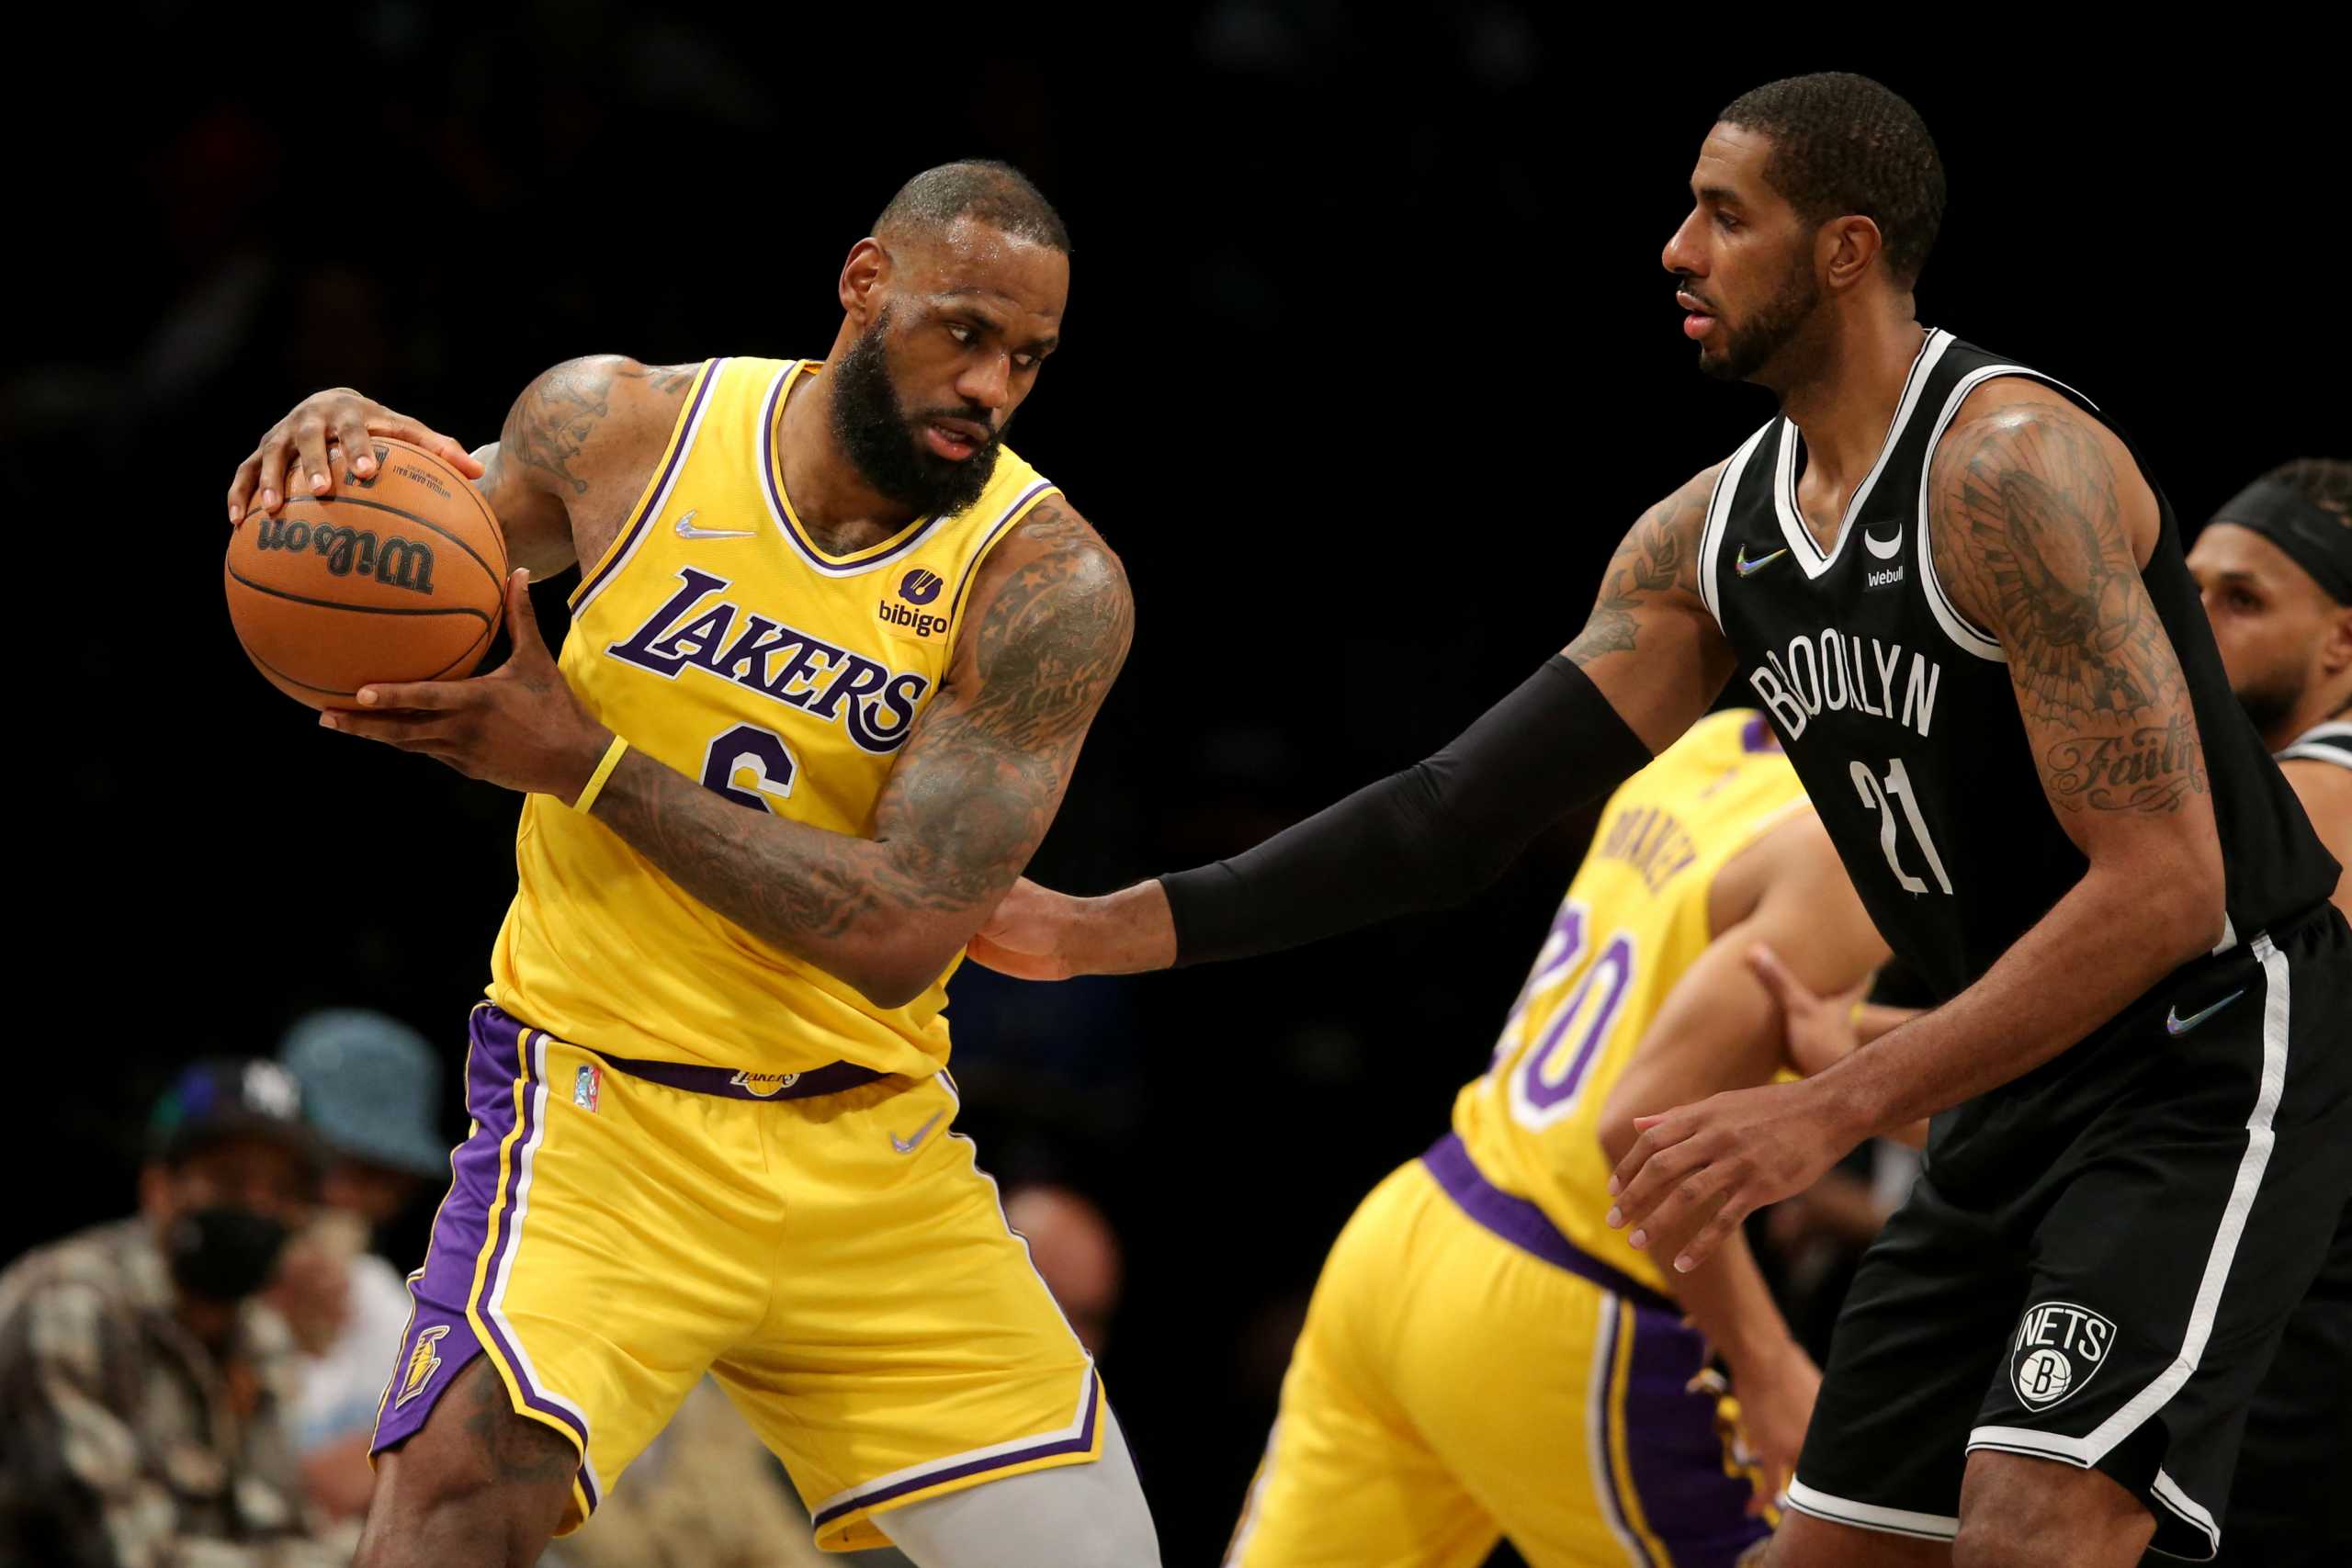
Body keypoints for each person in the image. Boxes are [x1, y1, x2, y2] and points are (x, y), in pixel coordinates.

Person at [975, 75, 2350, 1566]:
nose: (1676, 248)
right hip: (2014, 1080)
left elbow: (2166, 889)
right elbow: (1455, 813)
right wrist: (1111, 926)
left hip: (2203, 1051)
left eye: (1723, 212)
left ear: (1843, 250)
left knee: (2035, 1525)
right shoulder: (1712, 536)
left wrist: (1829, 1105)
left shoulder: (2010, 471)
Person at [222, 161, 1156, 1568]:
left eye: (1027, 358)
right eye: (962, 331)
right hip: (602, 1113)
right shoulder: (621, 427)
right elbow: (415, 555)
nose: (991, 385)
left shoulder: (1048, 584)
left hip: (870, 1148)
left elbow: (905, 926)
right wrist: (339, 454)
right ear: (866, 284)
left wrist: (582, 761)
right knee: (449, 1514)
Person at [1219, 711, 1889, 1568]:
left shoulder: (1705, 744)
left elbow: (1706, 1016)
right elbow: (1641, 1122)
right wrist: (1768, 1363)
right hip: (1564, 1293)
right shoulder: (1850, 838)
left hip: (1417, 1223)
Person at [0, 1059, 343, 1566]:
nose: (258, 1209)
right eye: (231, 1181)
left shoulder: (259, 1338)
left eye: (283, 1193)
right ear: (158, 1189)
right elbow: (123, 1555)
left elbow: (279, 1520)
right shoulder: (69, 1306)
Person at [272, 1010, 453, 1524]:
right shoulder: (206, 1282)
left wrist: (393, 1460)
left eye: (380, 1177)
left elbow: (448, 1441)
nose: (347, 1197)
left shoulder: (379, 1298)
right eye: (333, 1163)